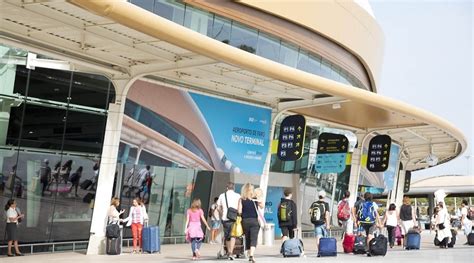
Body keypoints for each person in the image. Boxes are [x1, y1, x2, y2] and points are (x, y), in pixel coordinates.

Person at [238, 183, 263, 263]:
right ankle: (251, 255)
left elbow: (239, 211)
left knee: (248, 238)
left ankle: (249, 254)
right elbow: (262, 206)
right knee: (254, 238)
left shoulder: (241, 199)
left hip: (245, 221)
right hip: (254, 221)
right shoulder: (254, 198)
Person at [217, 182, 241, 260]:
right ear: (233, 188)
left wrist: (222, 213)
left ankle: (229, 252)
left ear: (227, 188)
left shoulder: (222, 195)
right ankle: (231, 252)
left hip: (225, 218)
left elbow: (218, 207)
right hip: (234, 218)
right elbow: (239, 208)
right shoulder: (238, 196)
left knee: (227, 236)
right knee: (233, 235)